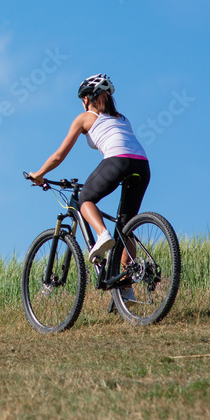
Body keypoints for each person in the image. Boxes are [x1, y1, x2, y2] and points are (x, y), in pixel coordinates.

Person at [28, 74, 150, 298]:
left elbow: (59, 155)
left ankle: (102, 234)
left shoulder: (85, 117)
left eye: (83, 97)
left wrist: (40, 174)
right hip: (142, 166)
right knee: (126, 227)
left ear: (87, 98)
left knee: (85, 199)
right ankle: (126, 289)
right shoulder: (122, 118)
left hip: (117, 160)